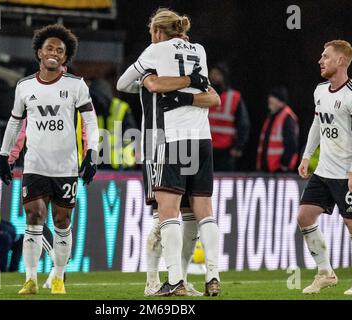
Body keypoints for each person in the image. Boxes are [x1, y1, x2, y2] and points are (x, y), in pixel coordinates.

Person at [117, 8, 220, 296]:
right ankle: (209, 275)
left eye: (152, 32)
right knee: (200, 214)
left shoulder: (154, 53)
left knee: (165, 215)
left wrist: (164, 85)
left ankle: (169, 280)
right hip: (201, 138)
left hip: (163, 139)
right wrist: (189, 82)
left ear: (158, 32)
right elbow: (213, 97)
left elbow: (124, 83)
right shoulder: (198, 53)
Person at [0, 24, 99, 295]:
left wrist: (92, 154)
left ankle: (58, 275)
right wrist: (4, 156)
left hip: (65, 167)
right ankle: (30, 279)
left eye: (60, 50)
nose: (54, 52)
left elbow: (90, 121)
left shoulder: (76, 86)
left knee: (62, 223)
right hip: (35, 165)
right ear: (39, 54)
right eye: (49, 48)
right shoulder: (24, 87)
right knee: (34, 216)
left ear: (65, 58)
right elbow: (14, 123)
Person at [298, 40, 352, 295]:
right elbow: (318, 125)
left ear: (340, 61)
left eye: (326, 56)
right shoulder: (319, 90)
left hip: (346, 172)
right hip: (324, 170)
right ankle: (325, 272)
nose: (320, 60)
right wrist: (307, 156)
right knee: (304, 216)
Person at [208, 63, 250, 171]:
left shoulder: (234, 97)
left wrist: (238, 147)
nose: (213, 77)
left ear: (224, 77)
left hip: (225, 150)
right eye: (212, 73)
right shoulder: (204, 94)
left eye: (217, 74)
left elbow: (243, 124)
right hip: (205, 148)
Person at [89, 79, 138, 170]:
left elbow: (131, 136)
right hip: (98, 165)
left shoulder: (121, 108)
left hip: (119, 165)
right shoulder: (92, 109)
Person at [256, 85, 299, 173]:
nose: (269, 99)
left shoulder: (287, 118)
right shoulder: (272, 117)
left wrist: (284, 165)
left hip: (279, 171)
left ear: (280, 101)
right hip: (268, 170)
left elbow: (291, 144)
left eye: (273, 97)